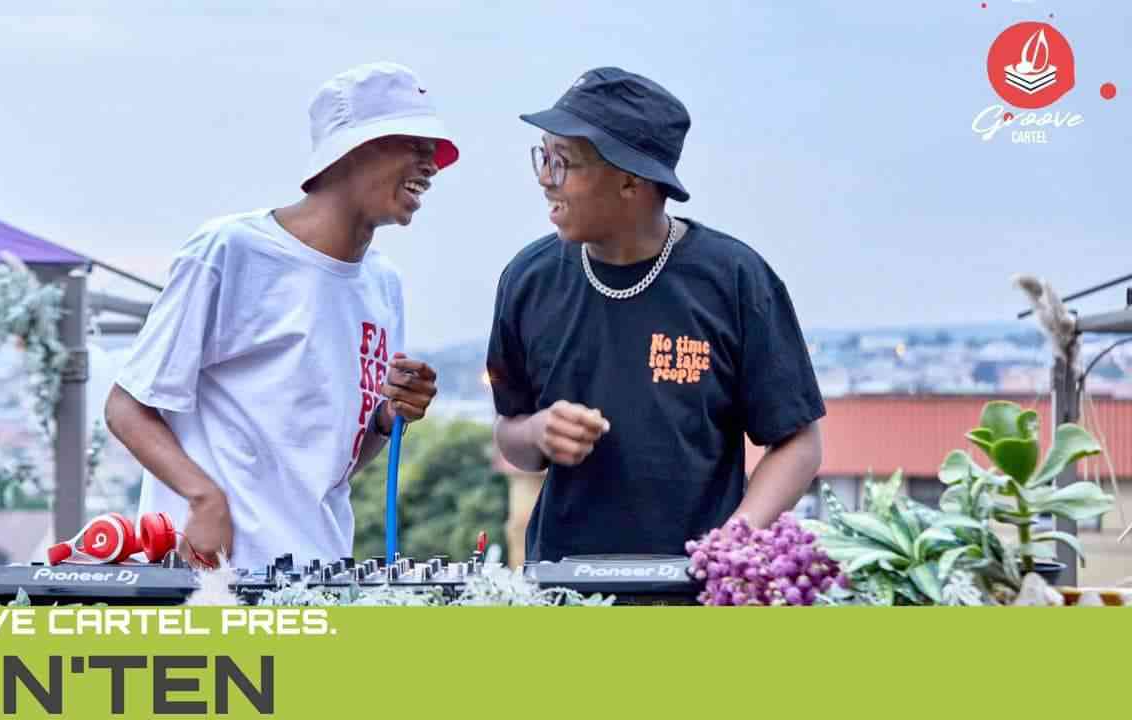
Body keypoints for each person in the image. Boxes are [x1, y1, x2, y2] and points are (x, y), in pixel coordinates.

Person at [106, 62, 455, 570]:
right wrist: (204, 499)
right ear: (352, 150)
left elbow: (333, 464)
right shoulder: (231, 251)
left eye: (434, 151)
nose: (432, 165)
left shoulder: (383, 283)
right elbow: (126, 406)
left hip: (321, 572)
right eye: (414, 145)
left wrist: (386, 417)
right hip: (214, 578)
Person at [487, 67, 824, 563]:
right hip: (561, 585)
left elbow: (798, 442)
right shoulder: (527, 280)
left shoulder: (735, 280)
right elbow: (509, 434)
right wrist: (538, 431)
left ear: (630, 180)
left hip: (696, 587)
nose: (544, 178)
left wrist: (732, 543)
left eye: (563, 162)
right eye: (543, 155)